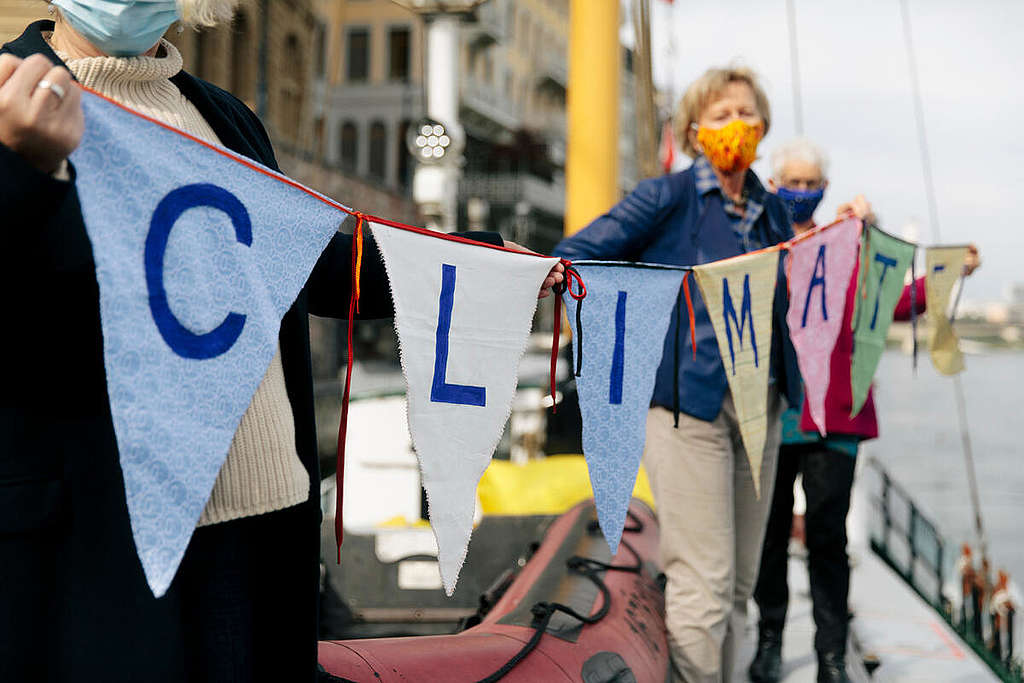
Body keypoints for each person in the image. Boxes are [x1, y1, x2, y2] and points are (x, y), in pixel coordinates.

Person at [0, 5, 562, 681]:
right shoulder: (11, 99)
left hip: (263, 519)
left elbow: (316, 262)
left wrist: (478, 264)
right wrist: (24, 170)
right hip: (111, 540)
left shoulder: (225, 118)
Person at [554, 66, 801, 683]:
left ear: (762, 127)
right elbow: (577, 252)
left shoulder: (769, 208)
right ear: (695, 129)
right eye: (720, 116)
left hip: (759, 408)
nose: (735, 127)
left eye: (746, 114)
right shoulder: (667, 197)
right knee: (704, 582)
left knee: (740, 582)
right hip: (687, 409)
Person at [749, 137, 980, 683]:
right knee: (770, 534)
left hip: (839, 416)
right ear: (774, 184)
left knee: (828, 537)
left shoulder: (848, 247)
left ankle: (831, 655)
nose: (802, 192)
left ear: (824, 188)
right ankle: (769, 640)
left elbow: (896, 304)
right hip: (773, 410)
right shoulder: (758, 242)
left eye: (811, 183)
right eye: (792, 182)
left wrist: (951, 271)